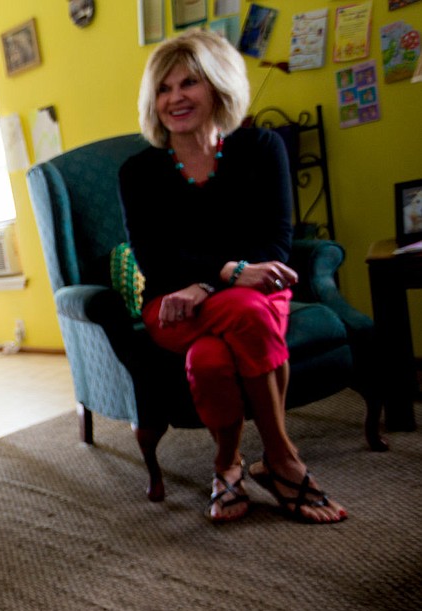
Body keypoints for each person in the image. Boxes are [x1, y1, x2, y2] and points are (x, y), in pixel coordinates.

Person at [118, 29, 347, 524]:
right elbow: (156, 258)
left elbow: (277, 243)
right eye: (163, 88)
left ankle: (228, 466)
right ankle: (283, 460)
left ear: (218, 87)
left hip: (252, 293)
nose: (175, 97)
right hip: (172, 305)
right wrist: (228, 271)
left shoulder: (261, 148)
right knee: (241, 310)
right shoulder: (139, 172)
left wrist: (207, 283)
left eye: (189, 83)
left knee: (213, 355)